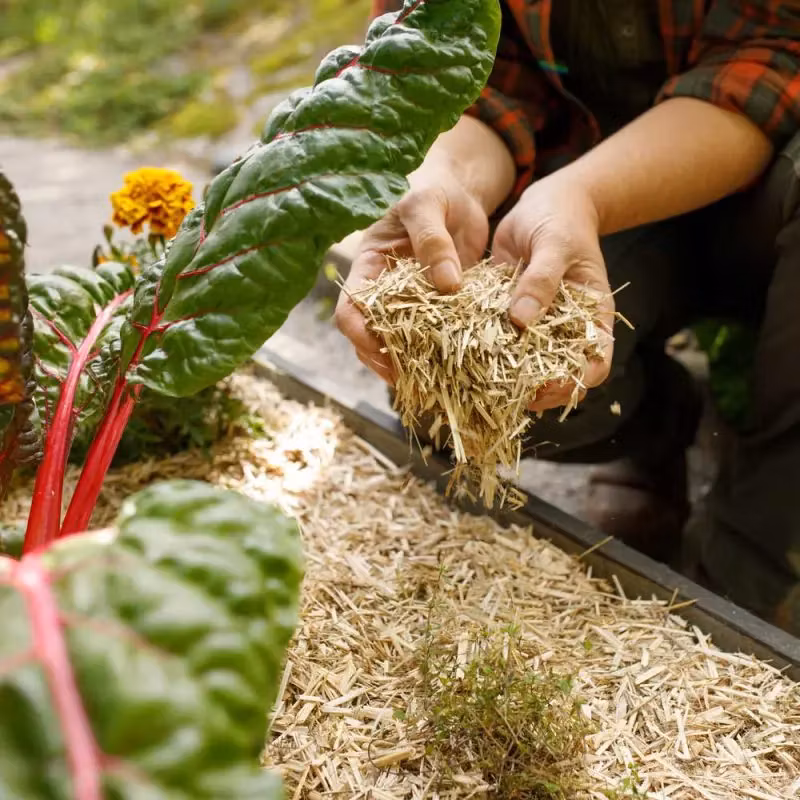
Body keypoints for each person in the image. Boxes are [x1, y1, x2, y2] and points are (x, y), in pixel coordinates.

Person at [335, 0, 800, 635]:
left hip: (764, 182)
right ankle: (661, 426)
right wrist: (450, 178)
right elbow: (471, 71)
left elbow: (773, 58)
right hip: (577, 187)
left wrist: (584, 195)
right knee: (461, 398)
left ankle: (751, 562)